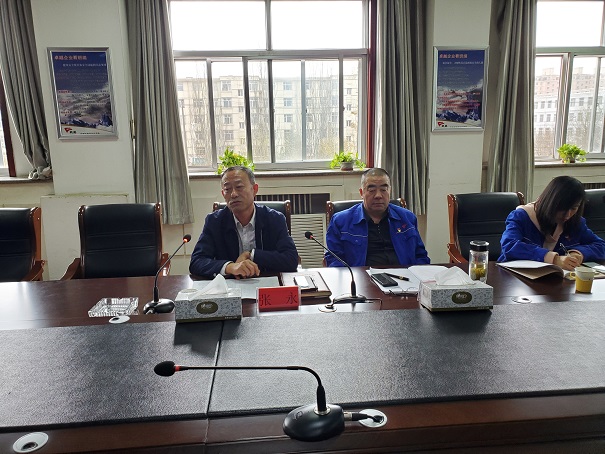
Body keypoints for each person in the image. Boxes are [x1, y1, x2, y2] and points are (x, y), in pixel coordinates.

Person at [189, 166, 299, 278]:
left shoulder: (274, 219)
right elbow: (196, 262)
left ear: (254, 189)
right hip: (230, 285)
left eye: (239, 187)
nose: (233, 194)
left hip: (266, 283)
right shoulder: (215, 221)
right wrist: (230, 267)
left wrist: (251, 254)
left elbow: (291, 259)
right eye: (227, 189)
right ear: (223, 194)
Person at [325, 167, 430, 267]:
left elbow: (420, 256)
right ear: (361, 193)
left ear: (390, 191)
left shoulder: (407, 218)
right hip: (361, 277)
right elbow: (334, 260)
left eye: (384, 189)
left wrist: (418, 275)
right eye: (372, 190)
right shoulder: (340, 221)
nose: (378, 195)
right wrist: (352, 277)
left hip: (403, 276)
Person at [498, 175, 605, 270]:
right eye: (562, 208)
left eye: (574, 208)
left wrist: (578, 253)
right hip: (513, 278)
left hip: (555, 280)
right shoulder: (521, 216)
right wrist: (554, 259)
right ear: (550, 202)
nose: (568, 215)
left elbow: (601, 245)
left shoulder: (575, 222)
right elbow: (509, 246)